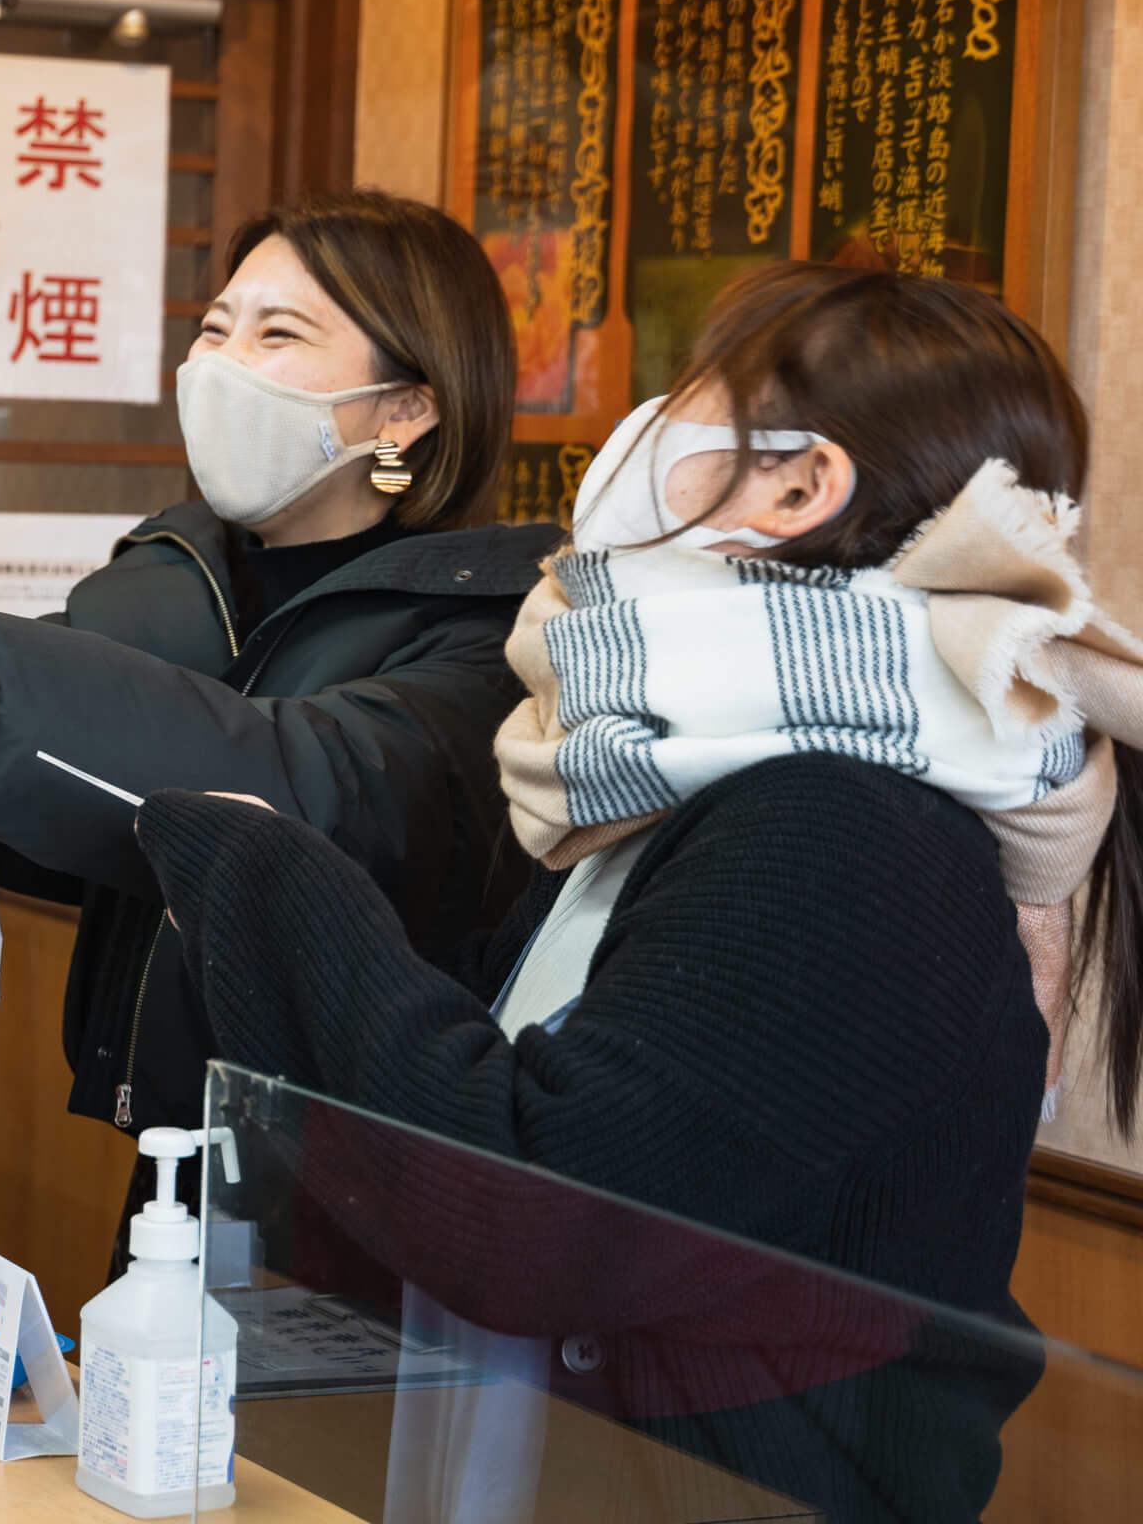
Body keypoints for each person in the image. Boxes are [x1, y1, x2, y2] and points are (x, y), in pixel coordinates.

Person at [141, 261, 1143, 1515]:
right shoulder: (705, 780)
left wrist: (265, 870)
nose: (638, 435)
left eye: (684, 406)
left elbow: (537, 1219)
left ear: (794, 485)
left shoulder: (845, 822)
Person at [0, 191, 554, 1249]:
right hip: (174, 1163)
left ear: (406, 410)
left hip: (374, 1191)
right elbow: (101, 833)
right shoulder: (167, 582)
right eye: (214, 327)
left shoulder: (495, 627)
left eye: (278, 334)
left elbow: (303, 794)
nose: (220, 364)